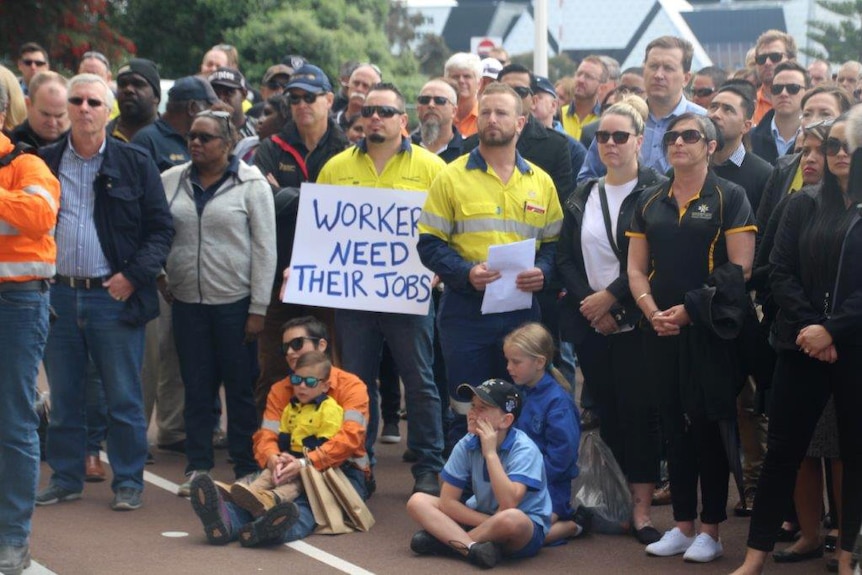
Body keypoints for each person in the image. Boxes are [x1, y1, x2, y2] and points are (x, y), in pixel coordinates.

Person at [730, 113, 862, 575]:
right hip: (800, 344)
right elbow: (778, 270)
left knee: (854, 453)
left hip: (852, 347)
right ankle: (754, 557)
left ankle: (848, 556)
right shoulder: (800, 205)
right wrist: (812, 327)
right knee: (782, 453)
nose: (840, 154)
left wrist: (833, 329)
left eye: (850, 146)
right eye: (832, 146)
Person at [36, 73, 173, 512]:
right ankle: (65, 476)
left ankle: (129, 480)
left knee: (123, 396)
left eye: (93, 101)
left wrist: (133, 276)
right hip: (57, 294)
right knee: (65, 396)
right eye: (75, 101)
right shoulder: (43, 160)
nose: (83, 108)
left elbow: (161, 230)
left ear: (108, 109)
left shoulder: (135, 162)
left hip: (113, 296)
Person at [627, 112, 756, 563]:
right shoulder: (649, 199)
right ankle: (681, 526)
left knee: (705, 425)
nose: (678, 143)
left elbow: (741, 267)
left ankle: (711, 530)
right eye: (673, 136)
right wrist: (650, 310)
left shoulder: (730, 196)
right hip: (656, 327)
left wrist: (689, 311)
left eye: (690, 136)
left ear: (710, 146)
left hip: (706, 331)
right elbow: (635, 268)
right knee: (671, 425)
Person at [317, 82, 445, 496]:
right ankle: (361, 465)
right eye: (370, 110)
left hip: (409, 296)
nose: (376, 117)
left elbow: (448, 229)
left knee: (420, 382)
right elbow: (320, 233)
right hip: (353, 299)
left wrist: (439, 270)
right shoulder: (336, 168)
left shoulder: (432, 169)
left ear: (403, 121)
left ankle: (428, 466)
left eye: (386, 111)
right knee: (355, 384)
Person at [417, 82, 563, 445]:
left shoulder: (540, 182)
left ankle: (515, 489)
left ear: (521, 122)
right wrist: (466, 273)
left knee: (522, 404)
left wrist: (544, 272)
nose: (492, 119)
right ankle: (460, 491)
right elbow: (429, 244)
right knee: (467, 405)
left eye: (501, 113)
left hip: (522, 312)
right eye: (485, 112)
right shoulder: (450, 176)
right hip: (466, 312)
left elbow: (555, 245)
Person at [557, 100, 666, 545]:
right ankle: (617, 503)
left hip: (637, 322)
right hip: (592, 325)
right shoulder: (583, 193)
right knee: (610, 415)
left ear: (640, 140)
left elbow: (656, 258)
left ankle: (641, 510)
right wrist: (590, 304)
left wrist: (613, 303)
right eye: (603, 136)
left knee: (641, 416)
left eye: (620, 136)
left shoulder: (658, 191)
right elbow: (564, 257)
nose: (610, 144)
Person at [161, 109, 276, 496]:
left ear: (228, 144)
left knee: (240, 387)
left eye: (206, 137)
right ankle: (198, 467)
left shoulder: (251, 184)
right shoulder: (171, 181)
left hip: (236, 305)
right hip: (187, 302)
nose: (195, 142)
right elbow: (157, 230)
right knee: (196, 385)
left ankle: (244, 465)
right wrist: (162, 274)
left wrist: (258, 307)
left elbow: (265, 248)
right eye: (192, 135)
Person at [188, 315, 370, 547]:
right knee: (255, 496)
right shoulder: (280, 388)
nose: (291, 352)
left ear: (321, 345)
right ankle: (232, 525)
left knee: (309, 502)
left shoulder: (351, 386)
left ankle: (269, 529)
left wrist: (306, 463)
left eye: (297, 343)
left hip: (344, 471)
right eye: (286, 347)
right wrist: (273, 458)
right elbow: (266, 436)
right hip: (288, 463)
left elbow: (350, 439)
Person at [254, 64, 349, 412]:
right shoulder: (270, 147)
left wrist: (289, 196)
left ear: (328, 99)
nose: (301, 104)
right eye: (294, 98)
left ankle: (332, 447)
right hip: (279, 274)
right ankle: (267, 449)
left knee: (332, 366)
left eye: (309, 97)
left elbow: (349, 208)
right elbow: (263, 201)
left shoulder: (349, 149)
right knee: (274, 367)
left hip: (331, 276)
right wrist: (317, 198)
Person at [0, 79, 60, 575]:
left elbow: (39, 215)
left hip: (17, 302)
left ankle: (12, 540)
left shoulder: (26, 163)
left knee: (14, 420)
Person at [406, 379, 551, 569]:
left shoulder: (525, 450)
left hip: (522, 528)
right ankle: (473, 548)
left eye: (482, 408)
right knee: (417, 501)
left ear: (506, 420)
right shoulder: (467, 443)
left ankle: (449, 544)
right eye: (473, 405)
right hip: (484, 516)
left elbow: (508, 504)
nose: (472, 413)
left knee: (511, 519)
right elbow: (448, 502)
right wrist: (488, 523)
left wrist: (490, 453)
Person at [577, 36, 706, 182]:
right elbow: (587, 177)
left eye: (668, 68)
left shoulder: (702, 121)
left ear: (686, 78)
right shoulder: (619, 118)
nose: (658, 75)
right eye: (653, 66)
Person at [229, 351, 342, 517]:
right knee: (269, 473)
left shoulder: (330, 409)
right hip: (291, 457)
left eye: (310, 381)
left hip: (313, 464)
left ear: (325, 386)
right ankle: (249, 494)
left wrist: (301, 462)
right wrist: (281, 457)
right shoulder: (291, 407)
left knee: (296, 483)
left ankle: (272, 499)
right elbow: (284, 438)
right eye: (297, 380)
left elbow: (326, 444)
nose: (302, 386)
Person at [503, 323, 584, 544]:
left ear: (539, 362)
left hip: (549, 487)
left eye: (516, 362)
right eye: (508, 360)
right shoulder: (517, 392)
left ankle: (571, 525)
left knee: (521, 536)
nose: (509, 367)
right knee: (500, 525)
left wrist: (527, 479)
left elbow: (563, 457)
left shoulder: (558, 402)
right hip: (517, 480)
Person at [750, 61, 808, 164]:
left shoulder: (814, 141)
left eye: (793, 88)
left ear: (807, 93)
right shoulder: (750, 138)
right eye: (777, 88)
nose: (783, 93)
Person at [11, 71, 69, 150]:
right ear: (28, 105)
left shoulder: (82, 145)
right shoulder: (11, 145)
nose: (52, 123)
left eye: (59, 116)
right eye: (45, 114)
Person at [108, 58, 161, 142]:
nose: (128, 89)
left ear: (156, 97)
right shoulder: (101, 138)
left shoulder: (173, 139)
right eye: (122, 84)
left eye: (138, 84)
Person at [208, 67, 257, 138]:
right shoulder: (199, 129)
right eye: (215, 94)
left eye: (229, 93)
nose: (221, 99)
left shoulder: (258, 129)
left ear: (244, 94)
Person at [444, 53, 482, 137]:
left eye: (467, 76)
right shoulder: (440, 115)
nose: (461, 80)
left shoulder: (486, 117)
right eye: (455, 77)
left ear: (479, 83)